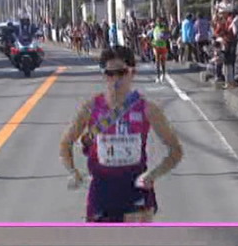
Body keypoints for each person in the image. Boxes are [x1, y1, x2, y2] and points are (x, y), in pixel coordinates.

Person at [60, 46, 184, 223]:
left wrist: (153, 175)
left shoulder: (147, 109)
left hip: (136, 193)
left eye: (121, 72)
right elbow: (66, 142)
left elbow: (176, 150)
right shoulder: (91, 107)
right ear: (104, 75)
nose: (115, 79)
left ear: (132, 72)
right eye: (110, 74)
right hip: (101, 195)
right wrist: (73, 171)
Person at [149, 18, 171, 82]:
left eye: (160, 21)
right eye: (157, 21)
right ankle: (158, 76)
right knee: (157, 61)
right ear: (156, 22)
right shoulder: (155, 28)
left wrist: (164, 37)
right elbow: (152, 37)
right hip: (156, 46)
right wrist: (152, 44)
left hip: (163, 46)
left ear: (161, 21)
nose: (159, 22)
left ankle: (163, 74)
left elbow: (168, 35)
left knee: (162, 62)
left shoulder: (164, 28)